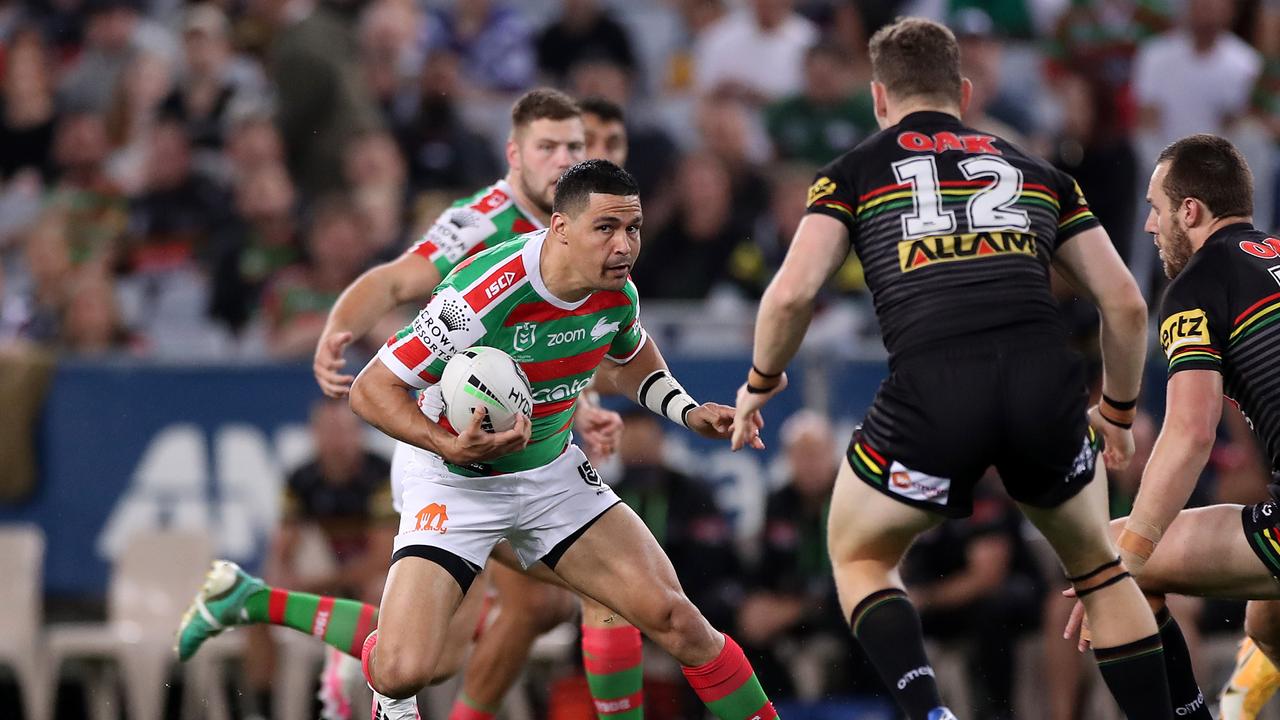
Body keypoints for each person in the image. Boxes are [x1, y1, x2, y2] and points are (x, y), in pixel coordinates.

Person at [729, 17, 1174, 720]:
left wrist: (760, 383)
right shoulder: (1038, 170)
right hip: (1042, 382)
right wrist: (1117, 411)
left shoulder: (853, 171)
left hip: (935, 391)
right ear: (963, 92)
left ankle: (929, 712)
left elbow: (789, 295)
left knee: (860, 557)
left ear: (879, 99)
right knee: (1097, 568)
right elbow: (1123, 302)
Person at [177, 90, 647, 720]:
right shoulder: (483, 221)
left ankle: (251, 600)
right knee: (597, 594)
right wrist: (336, 328)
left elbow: (558, 348)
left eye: (577, 149)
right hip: (448, 454)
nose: (566, 159)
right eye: (551, 148)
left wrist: (582, 401)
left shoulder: (587, 238)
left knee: (452, 647)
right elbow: (399, 279)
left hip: (518, 451)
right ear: (516, 154)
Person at [350, 158, 775, 719]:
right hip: (455, 483)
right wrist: (445, 443)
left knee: (679, 620)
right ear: (560, 229)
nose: (623, 245)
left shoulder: (617, 291)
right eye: (606, 229)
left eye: (633, 229)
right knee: (406, 671)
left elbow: (626, 359)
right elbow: (370, 389)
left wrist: (690, 412)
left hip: (552, 477)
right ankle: (386, 686)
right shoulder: (482, 294)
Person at [1056, 134, 1280, 720]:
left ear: (1191, 211)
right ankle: (1235, 712)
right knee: (1268, 616)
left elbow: (1190, 434)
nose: (1151, 227)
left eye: (1156, 209)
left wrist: (1122, 567)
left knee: (1105, 554)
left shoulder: (1198, 285)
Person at [243, 397, 397, 720]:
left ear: (358, 434)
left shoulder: (382, 476)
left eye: (343, 430)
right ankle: (263, 708)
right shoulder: (301, 479)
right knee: (256, 607)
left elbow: (382, 558)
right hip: (328, 582)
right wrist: (279, 581)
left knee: (378, 590)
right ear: (314, 435)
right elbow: (281, 548)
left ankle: (384, 702)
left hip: (369, 582)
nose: (336, 441)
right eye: (328, 431)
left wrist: (314, 582)